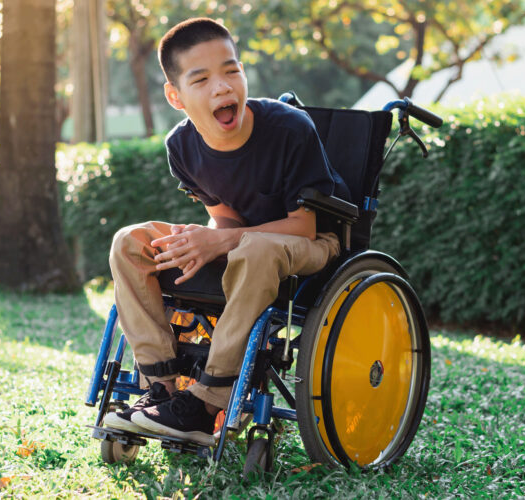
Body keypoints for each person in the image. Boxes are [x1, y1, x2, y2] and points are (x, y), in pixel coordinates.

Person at [104, 17, 348, 446]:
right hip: (246, 243)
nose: (223, 87)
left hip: (313, 243)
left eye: (232, 70)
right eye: (201, 79)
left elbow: (304, 226)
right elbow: (228, 219)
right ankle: (160, 387)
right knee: (130, 243)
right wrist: (202, 240)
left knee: (254, 249)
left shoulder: (290, 129)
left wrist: (218, 239)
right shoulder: (182, 147)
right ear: (175, 96)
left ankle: (207, 403)